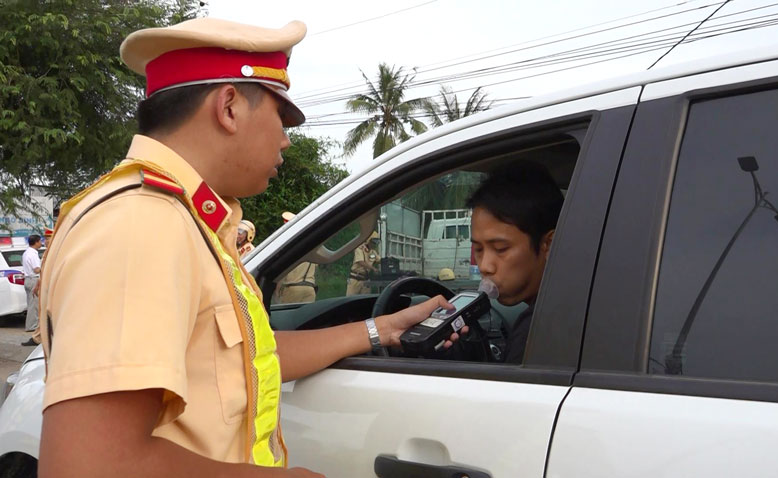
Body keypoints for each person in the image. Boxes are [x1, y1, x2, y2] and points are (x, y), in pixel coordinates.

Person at [36, 17, 462, 478]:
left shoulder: (186, 220)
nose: (285, 140)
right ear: (230, 107)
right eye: (281, 116)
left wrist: (381, 329)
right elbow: (88, 465)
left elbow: (245, 359)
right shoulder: (144, 224)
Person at [467, 161, 563, 364]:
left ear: (549, 244)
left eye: (500, 249)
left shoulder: (538, 332)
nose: (485, 266)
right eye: (479, 249)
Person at [276, 212, 317, 304]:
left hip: (292, 288)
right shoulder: (311, 244)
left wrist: (277, 291)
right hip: (310, 288)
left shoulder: (289, 246)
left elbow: (282, 272)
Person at [21, 228, 53, 346]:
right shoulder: (37, 253)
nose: (45, 242)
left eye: (47, 239)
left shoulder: (29, 252)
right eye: (43, 240)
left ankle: (38, 335)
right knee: (36, 307)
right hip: (36, 280)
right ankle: (36, 333)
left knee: (38, 308)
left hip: (39, 281)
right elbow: (38, 269)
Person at [345, 232, 381, 296]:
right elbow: (360, 262)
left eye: (376, 242)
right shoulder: (359, 248)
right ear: (368, 240)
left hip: (365, 280)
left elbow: (379, 260)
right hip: (355, 279)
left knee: (364, 301)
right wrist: (373, 268)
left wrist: (387, 260)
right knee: (350, 300)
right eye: (373, 242)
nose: (374, 244)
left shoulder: (373, 252)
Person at [21, 234, 42, 333]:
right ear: (36, 242)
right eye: (40, 241)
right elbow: (37, 269)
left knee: (31, 303)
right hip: (33, 279)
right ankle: (32, 326)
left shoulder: (26, 253)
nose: (41, 243)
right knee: (34, 305)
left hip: (28, 279)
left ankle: (31, 325)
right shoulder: (33, 254)